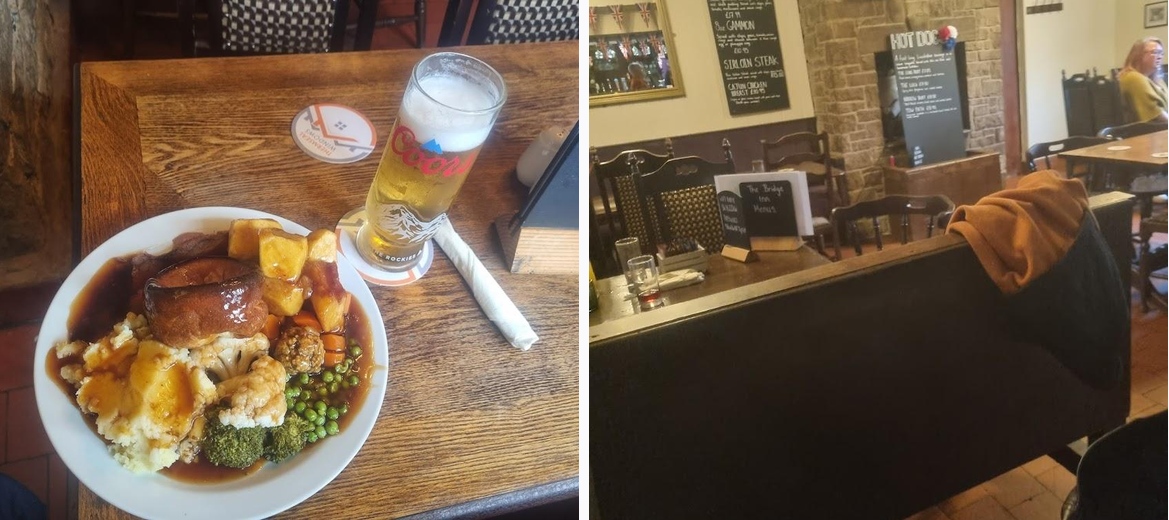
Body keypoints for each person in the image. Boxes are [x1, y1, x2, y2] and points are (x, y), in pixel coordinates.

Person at [1117, 37, 1168, 123]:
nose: (1160, 57)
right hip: (1147, 130)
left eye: (1161, 53)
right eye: (1155, 52)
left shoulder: (1158, 80)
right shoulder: (1133, 77)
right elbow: (1156, 114)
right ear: (1138, 55)